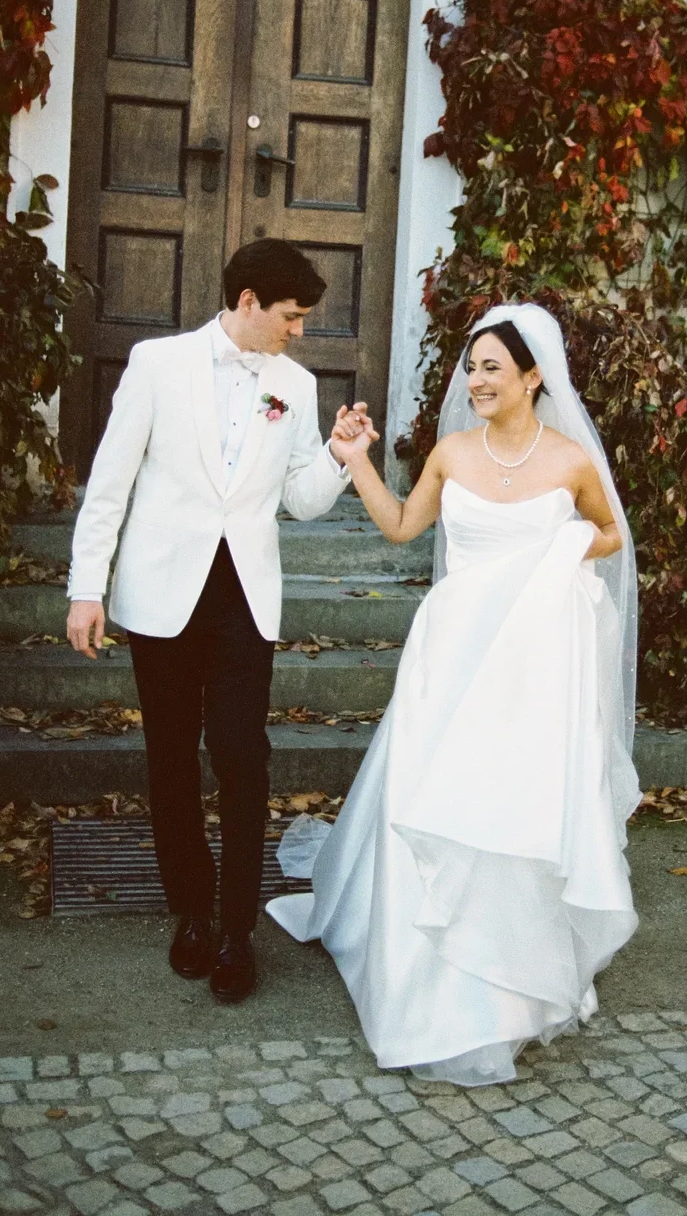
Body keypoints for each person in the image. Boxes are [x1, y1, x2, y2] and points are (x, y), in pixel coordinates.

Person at [268, 303, 640, 1084]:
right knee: (435, 794)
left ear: (533, 377)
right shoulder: (451, 453)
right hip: (451, 656)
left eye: (491, 368)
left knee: (509, 800)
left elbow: (607, 536)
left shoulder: (571, 461)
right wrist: (357, 459)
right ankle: (420, 975)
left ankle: (514, 967)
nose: (474, 381)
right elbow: (404, 527)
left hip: (530, 665)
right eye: (470, 368)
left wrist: (555, 556)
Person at [65, 238, 372, 1003]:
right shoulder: (157, 364)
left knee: (242, 755)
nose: (299, 330)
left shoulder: (294, 387)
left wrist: (337, 457)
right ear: (246, 303)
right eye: (291, 316)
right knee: (170, 756)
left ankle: (239, 930)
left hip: (242, 594)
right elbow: (111, 480)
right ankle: (192, 913)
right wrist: (86, 587)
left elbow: (297, 500)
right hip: (162, 590)